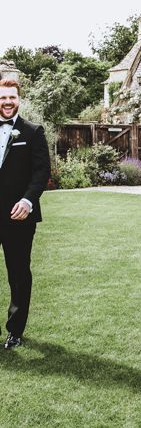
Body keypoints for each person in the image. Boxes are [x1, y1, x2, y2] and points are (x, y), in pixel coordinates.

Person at [0, 79, 51, 349]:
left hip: (18, 216)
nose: (7, 102)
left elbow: (42, 172)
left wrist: (28, 201)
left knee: (18, 273)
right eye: (2, 98)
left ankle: (15, 331)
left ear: (19, 99)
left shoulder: (32, 132)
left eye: (12, 97)